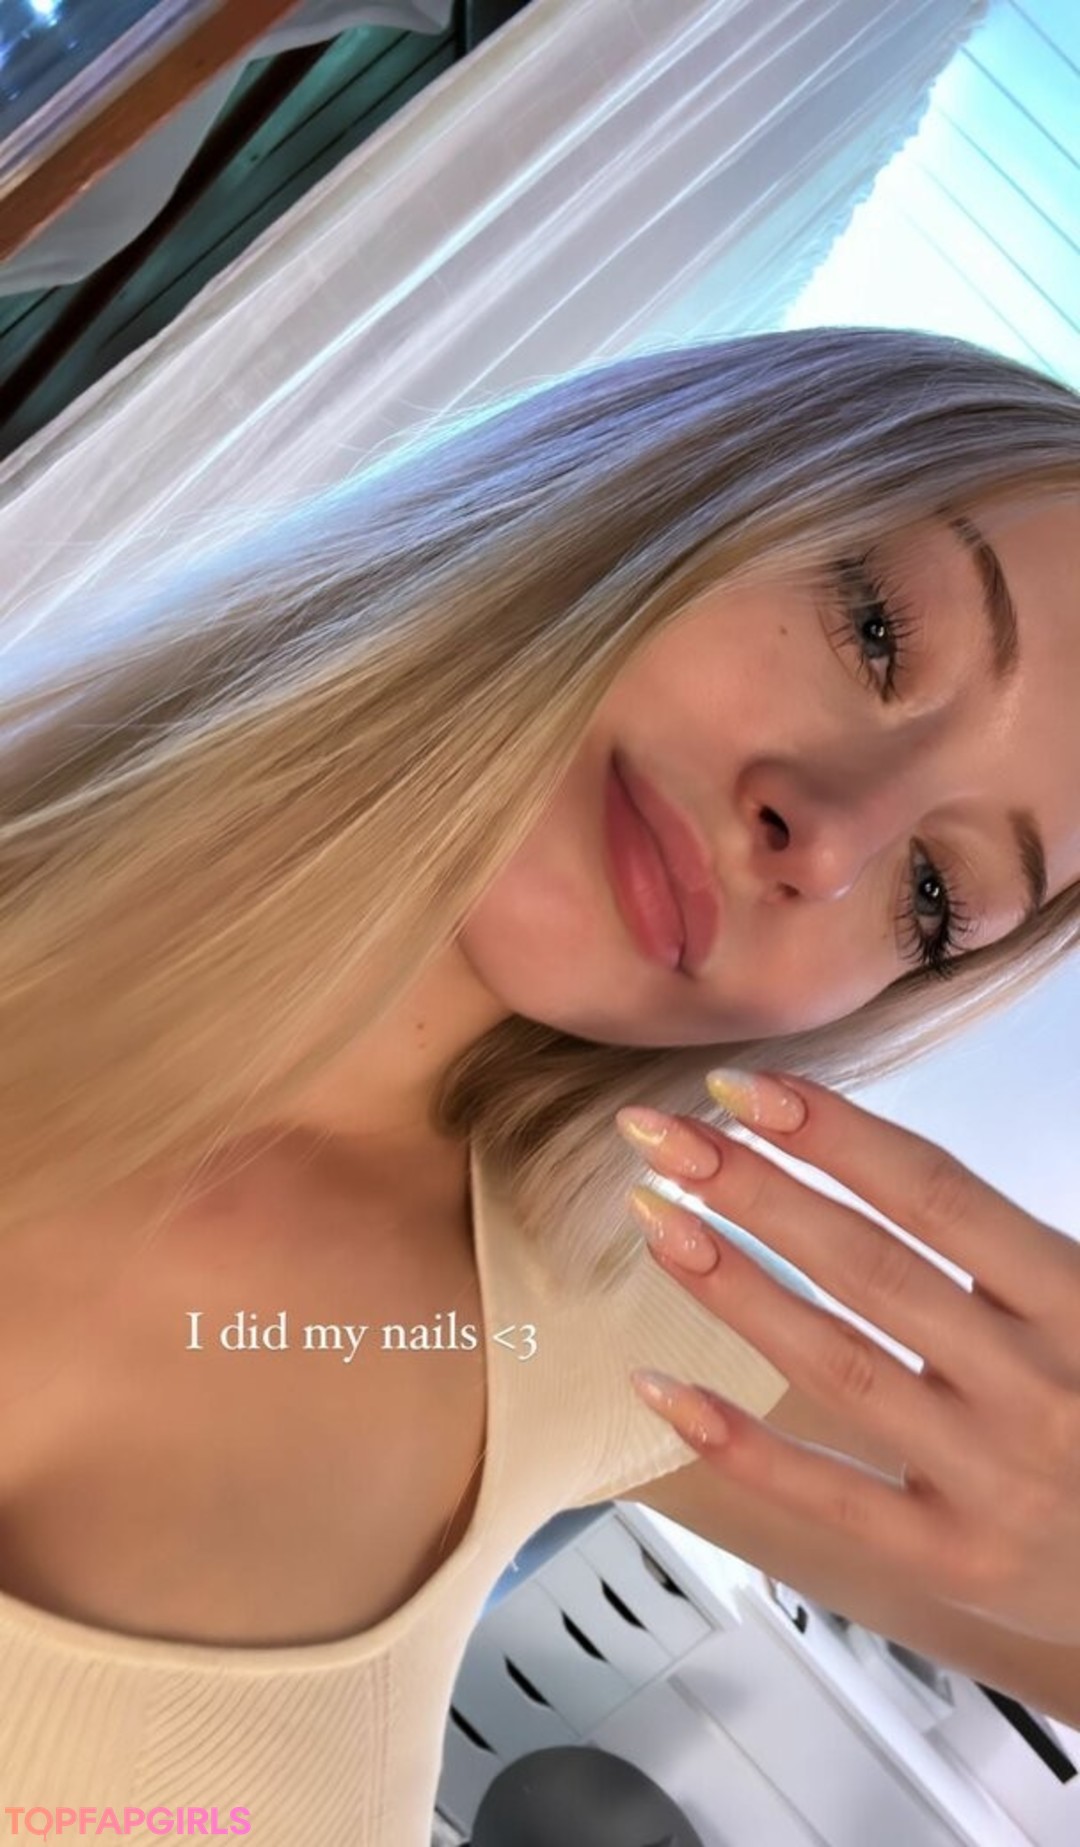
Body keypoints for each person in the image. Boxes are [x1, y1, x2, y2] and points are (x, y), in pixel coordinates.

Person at [0, 325, 1077, 1842]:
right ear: (677, 473)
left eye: (934, 895)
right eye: (879, 631)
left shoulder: (596, 1319)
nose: (830, 839)